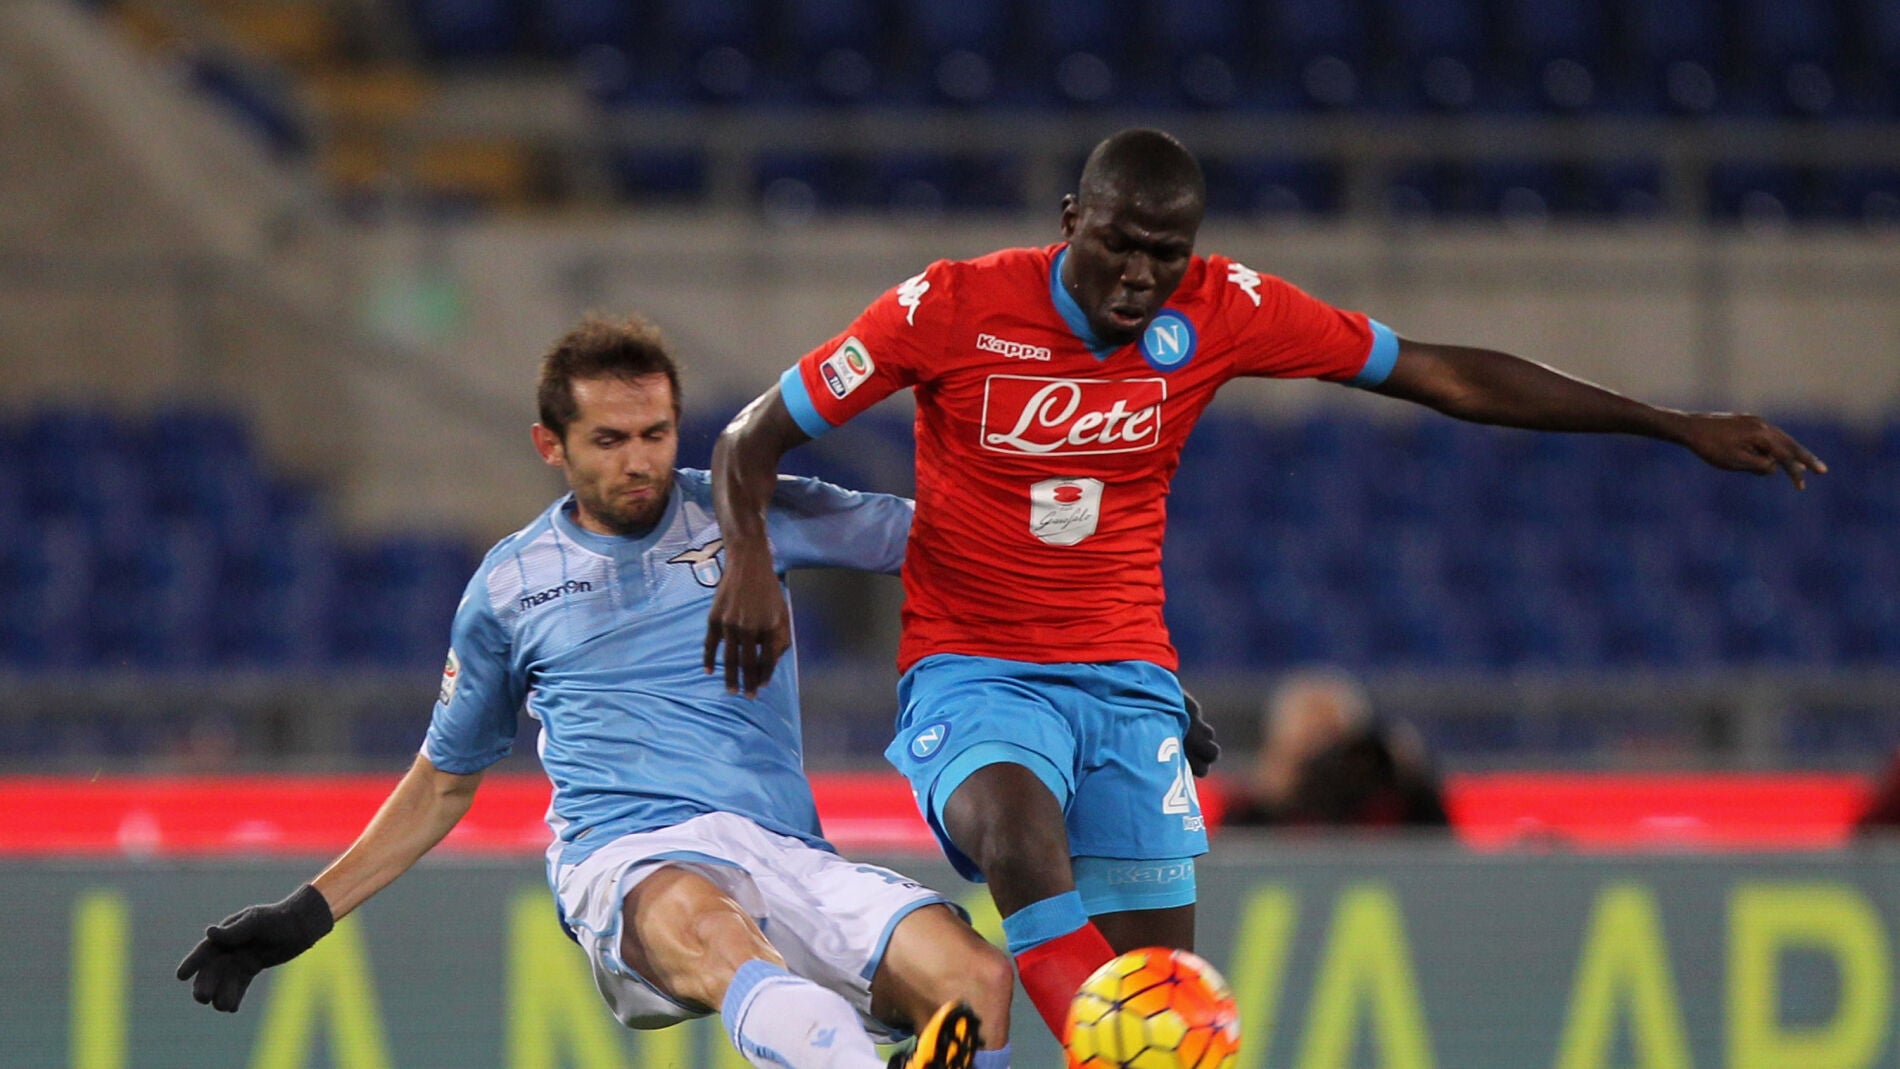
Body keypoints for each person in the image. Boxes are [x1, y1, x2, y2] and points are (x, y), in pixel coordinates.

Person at [703, 127, 1825, 1038]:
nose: (1141, 274)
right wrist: (751, 560)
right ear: (1068, 224)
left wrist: (1668, 424)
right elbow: (749, 440)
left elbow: (1437, 372)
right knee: (1018, 834)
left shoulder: (1224, 310)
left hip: (1127, 681)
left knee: (1156, 974)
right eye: (1118, 245)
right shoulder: (949, 307)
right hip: (974, 669)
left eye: (1166, 250)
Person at [176, 315, 1013, 1069]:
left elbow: (941, 536)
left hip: (781, 849)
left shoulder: (744, 512)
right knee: (717, 929)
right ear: (552, 445)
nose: (641, 459)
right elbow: (442, 781)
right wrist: (306, 911)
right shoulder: (509, 586)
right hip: (629, 857)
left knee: (972, 977)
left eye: (657, 432)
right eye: (610, 439)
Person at [1220, 672, 1449, 828]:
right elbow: (1230, 864)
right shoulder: (1255, 807)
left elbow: (1438, 848)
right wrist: (1272, 795)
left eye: (1332, 735)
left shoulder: (1390, 801)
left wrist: (1407, 774)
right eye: (1309, 736)